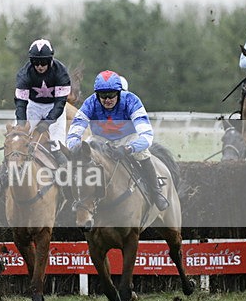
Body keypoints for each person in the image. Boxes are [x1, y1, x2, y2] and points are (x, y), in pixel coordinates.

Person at [66, 70, 169, 211]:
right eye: (103, 96)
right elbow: (74, 132)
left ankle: (156, 192)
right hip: (100, 139)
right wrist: (75, 148)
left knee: (142, 154)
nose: (107, 99)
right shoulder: (90, 103)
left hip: (128, 137)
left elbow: (146, 137)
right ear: (97, 94)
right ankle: (76, 196)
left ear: (119, 92)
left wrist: (129, 148)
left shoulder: (132, 100)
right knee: (82, 157)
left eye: (111, 95)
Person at [0, 38, 71, 197]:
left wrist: (47, 122)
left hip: (54, 107)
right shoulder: (24, 74)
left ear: (50, 60)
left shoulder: (61, 72)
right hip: (33, 107)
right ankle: (1, 182)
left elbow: (60, 103)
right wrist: (21, 127)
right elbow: (21, 105)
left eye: (43, 62)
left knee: (57, 144)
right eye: (36, 62)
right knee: (15, 141)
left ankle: (69, 185)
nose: (40, 66)